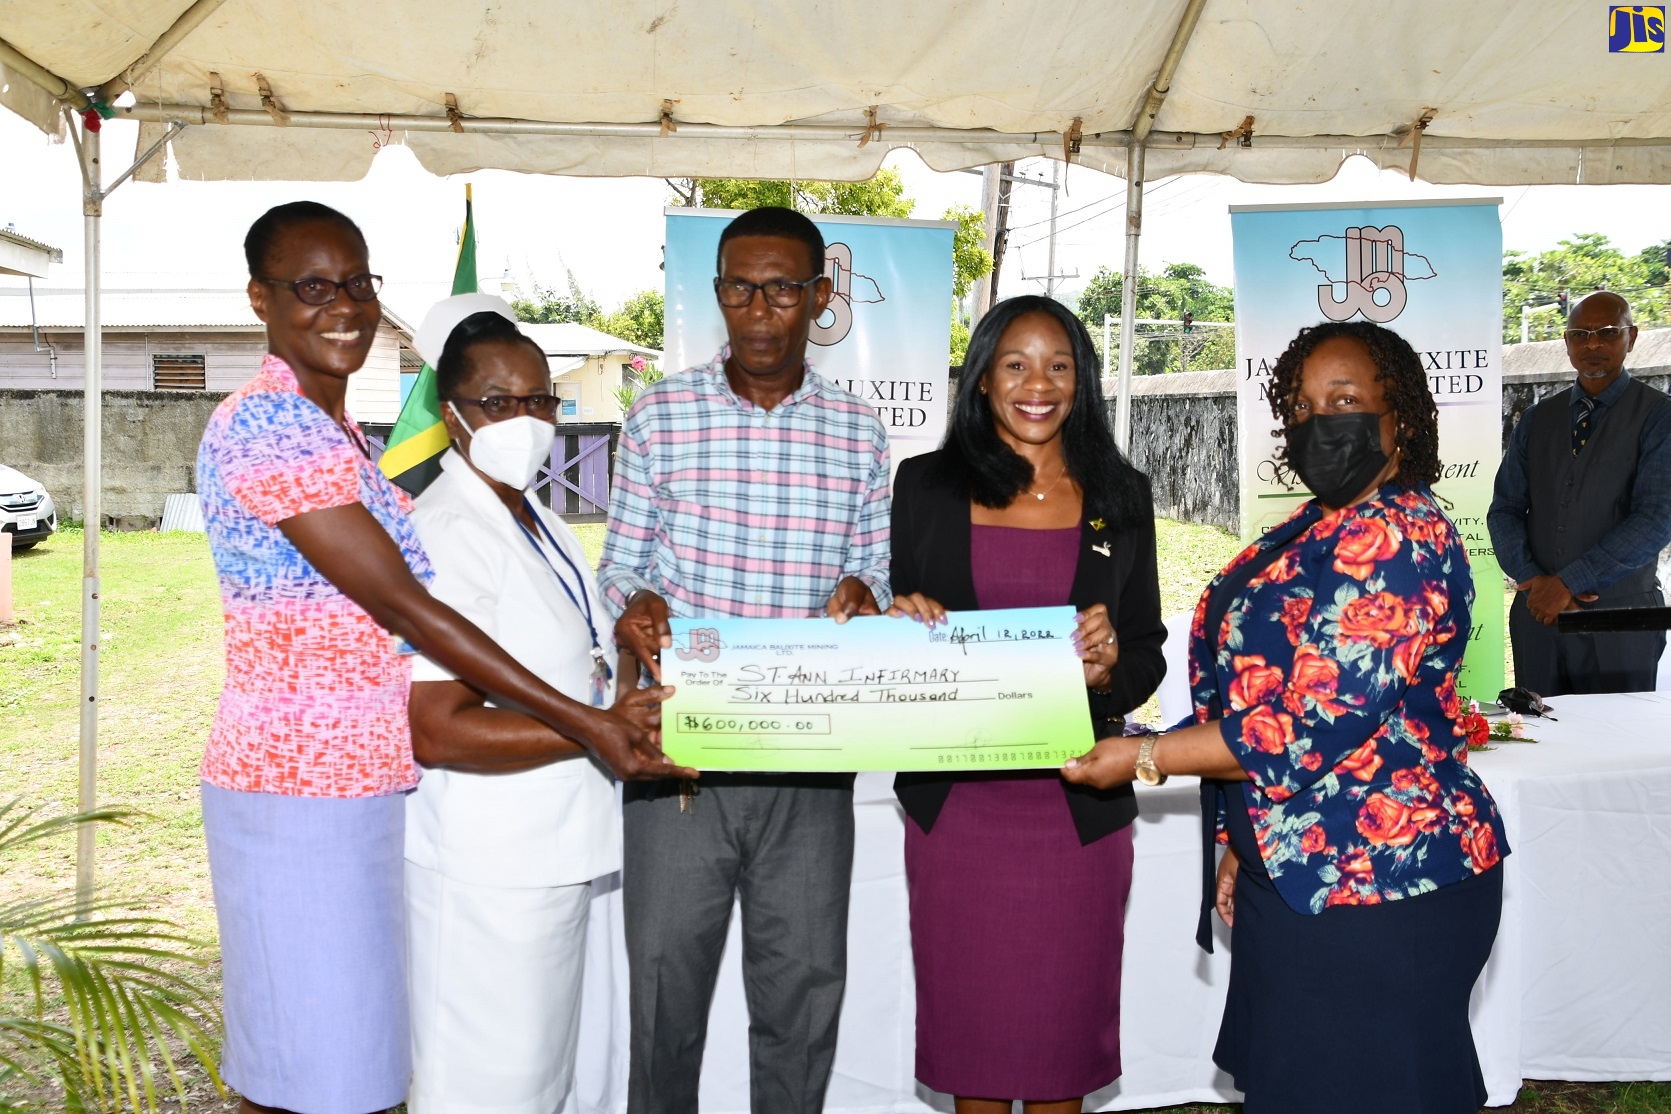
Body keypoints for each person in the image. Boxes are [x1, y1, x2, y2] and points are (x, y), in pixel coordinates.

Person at [196, 202, 685, 1114]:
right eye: (311, 287)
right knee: (312, 1071)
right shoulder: (270, 424)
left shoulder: (340, 435)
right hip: (297, 780)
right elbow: (405, 605)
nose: (341, 305)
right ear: (260, 299)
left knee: (351, 1067)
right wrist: (586, 725)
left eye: (356, 282)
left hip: (359, 783)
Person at [1063, 321, 1509, 1114]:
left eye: (1343, 400)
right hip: (1304, 870)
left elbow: (1306, 724)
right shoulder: (1314, 524)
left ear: (1397, 415)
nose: (1318, 422)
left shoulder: (1395, 536)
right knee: (1291, 1089)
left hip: (1383, 885)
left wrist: (1141, 757)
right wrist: (1244, 837)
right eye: (1301, 407)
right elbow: (1253, 692)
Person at [597, 205, 891, 1114]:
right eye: (738, 288)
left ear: (819, 298)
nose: (759, 311)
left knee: (802, 997)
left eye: (782, 290)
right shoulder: (658, 414)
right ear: (716, 293)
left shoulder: (858, 431)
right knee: (662, 993)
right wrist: (634, 608)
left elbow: (873, 568)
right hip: (677, 750)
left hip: (807, 759)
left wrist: (865, 598)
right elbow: (621, 568)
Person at [887, 295, 1165, 1114]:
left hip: (1075, 806)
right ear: (980, 381)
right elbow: (887, 637)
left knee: (1060, 1045)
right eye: (1013, 364)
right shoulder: (925, 486)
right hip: (957, 812)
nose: (1035, 383)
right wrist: (900, 623)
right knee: (972, 1043)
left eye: (1057, 365)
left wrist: (1112, 664)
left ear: (1081, 382)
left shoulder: (1121, 491)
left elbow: (1144, 650)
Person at [401, 299, 652, 1114]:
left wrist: (624, 641)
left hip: (562, 847)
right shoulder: (445, 528)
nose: (528, 420)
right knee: (491, 1086)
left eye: (541, 400)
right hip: (490, 868)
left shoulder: (535, 515)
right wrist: (597, 733)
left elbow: (575, 666)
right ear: (451, 415)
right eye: (498, 403)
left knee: (553, 1078)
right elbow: (437, 729)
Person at [1487, 290, 1671, 695]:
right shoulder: (1537, 420)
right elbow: (1505, 510)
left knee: (1617, 747)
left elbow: (1658, 518)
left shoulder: (1659, 415)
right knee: (1541, 738)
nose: (1592, 344)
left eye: (1607, 332)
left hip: (1620, 621)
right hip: (1539, 621)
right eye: (1579, 334)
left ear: (1632, 337)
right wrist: (1535, 581)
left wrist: (1569, 582)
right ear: (1567, 342)